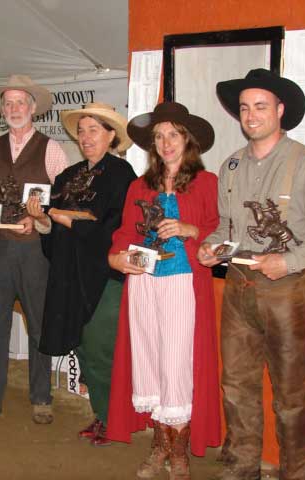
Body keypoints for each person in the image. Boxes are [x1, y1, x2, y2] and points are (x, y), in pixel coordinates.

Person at [198, 69, 305, 480]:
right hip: (238, 286)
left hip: (285, 289)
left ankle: (299, 473)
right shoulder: (230, 167)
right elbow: (227, 227)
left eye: (260, 106)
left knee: (292, 393)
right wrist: (211, 247)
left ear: (280, 111)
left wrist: (291, 261)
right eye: (245, 108)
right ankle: (242, 464)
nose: (251, 115)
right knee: (236, 384)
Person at [107, 102, 221, 479]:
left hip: (182, 283)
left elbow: (220, 232)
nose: (166, 143)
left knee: (178, 362)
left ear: (187, 140)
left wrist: (191, 231)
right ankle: (160, 445)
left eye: (173, 134)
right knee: (150, 360)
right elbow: (125, 233)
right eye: (159, 136)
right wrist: (117, 257)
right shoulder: (140, 186)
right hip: (143, 283)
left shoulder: (207, 183)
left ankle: (179, 450)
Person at [27, 103, 136, 446]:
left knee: (101, 349)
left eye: (95, 130)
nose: (87, 137)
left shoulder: (122, 175)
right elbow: (52, 229)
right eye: (83, 130)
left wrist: (70, 221)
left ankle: (113, 418)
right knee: (84, 349)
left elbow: (120, 230)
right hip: (70, 274)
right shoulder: (67, 176)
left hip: (104, 276)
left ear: (111, 136)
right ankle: (102, 415)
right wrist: (42, 220)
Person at [0, 74, 68, 430]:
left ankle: (41, 397)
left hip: (33, 252)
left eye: (19, 103)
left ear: (33, 108)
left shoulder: (51, 148)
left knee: (39, 326)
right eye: (7, 103)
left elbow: (62, 198)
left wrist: (39, 219)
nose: (13, 109)